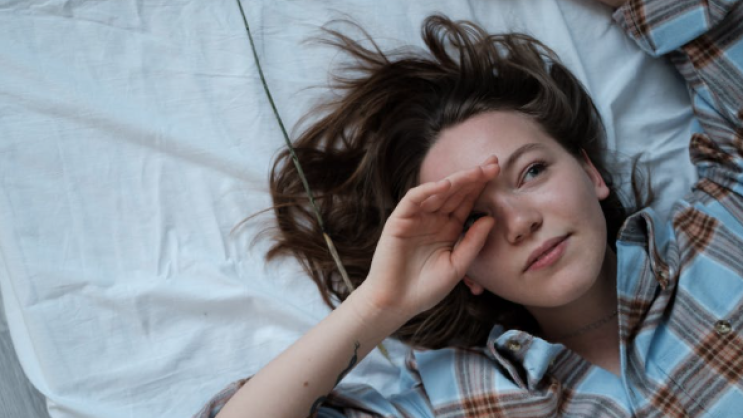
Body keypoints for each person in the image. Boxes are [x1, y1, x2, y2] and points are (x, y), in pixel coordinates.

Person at [195, 0, 743, 416]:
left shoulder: (726, 224)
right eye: (474, 217)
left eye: (532, 172)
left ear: (590, 172)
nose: (521, 222)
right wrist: (380, 304)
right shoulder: (446, 402)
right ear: (463, 270)